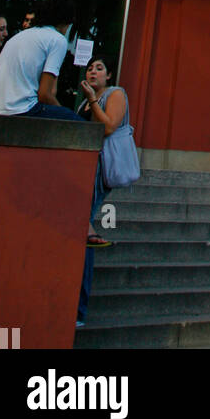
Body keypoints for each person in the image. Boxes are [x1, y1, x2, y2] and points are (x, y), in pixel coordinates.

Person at [74, 56, 130, 327]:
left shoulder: (114, 94)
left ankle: (79, 309)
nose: (93, 71)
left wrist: (94, 101)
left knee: (83, 228)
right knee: (81, 227)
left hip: (100, 169)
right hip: (82, 167)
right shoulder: (85, 101)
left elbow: (109, 126)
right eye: (90, 68)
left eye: (99, 68)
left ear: (109, 76)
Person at [0, 0, 80, 119]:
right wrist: (63, 115)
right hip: (21, 109)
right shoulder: (57, 39)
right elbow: (44, 94)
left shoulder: (19, 37)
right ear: (66, 21)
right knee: (80, 124)